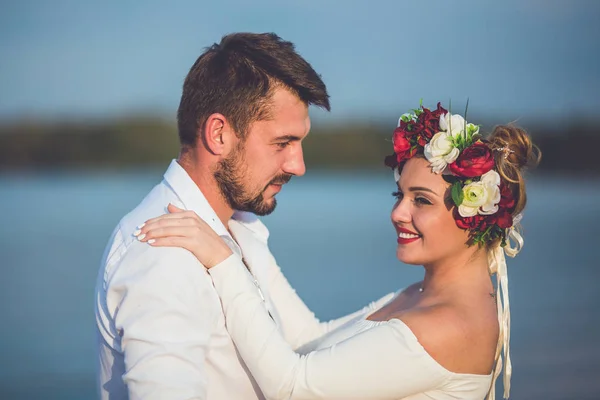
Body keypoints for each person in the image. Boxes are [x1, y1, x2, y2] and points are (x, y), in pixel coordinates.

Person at [135, 102, 541, 399]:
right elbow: (311, 338)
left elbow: (292, 386)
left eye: (421, 200)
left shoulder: (451, 325)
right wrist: (239, 232)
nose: (397, 213)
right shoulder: (426, 295)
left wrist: (222, 261)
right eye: (399, 194)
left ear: (475, 217)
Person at [95, 32, 394, 400]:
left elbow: (306, 341)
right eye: (282, 143)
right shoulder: (164, 254)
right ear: (219, 134)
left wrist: (432, 297)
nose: (298, 165)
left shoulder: (240, 223)